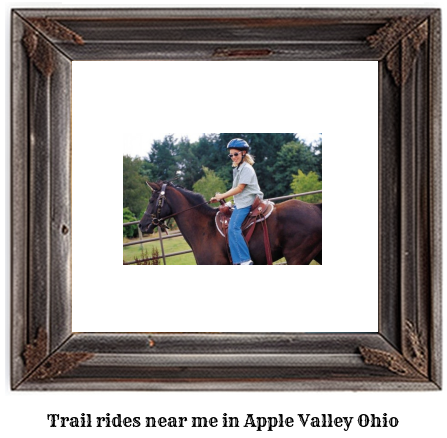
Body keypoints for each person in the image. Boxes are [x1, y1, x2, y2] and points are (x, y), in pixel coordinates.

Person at [210, 138, 264, 265]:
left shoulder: (246, 168)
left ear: (244, 153)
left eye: (236, 154)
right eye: (231, 155)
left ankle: (245, 260)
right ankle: (237, 261)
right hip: (241, 201)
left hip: (246, 202)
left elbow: (240, 189)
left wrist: (222, 195)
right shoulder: (238, 168)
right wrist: (220, 196)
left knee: (233, 229)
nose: (233, 157)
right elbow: (235, 188)